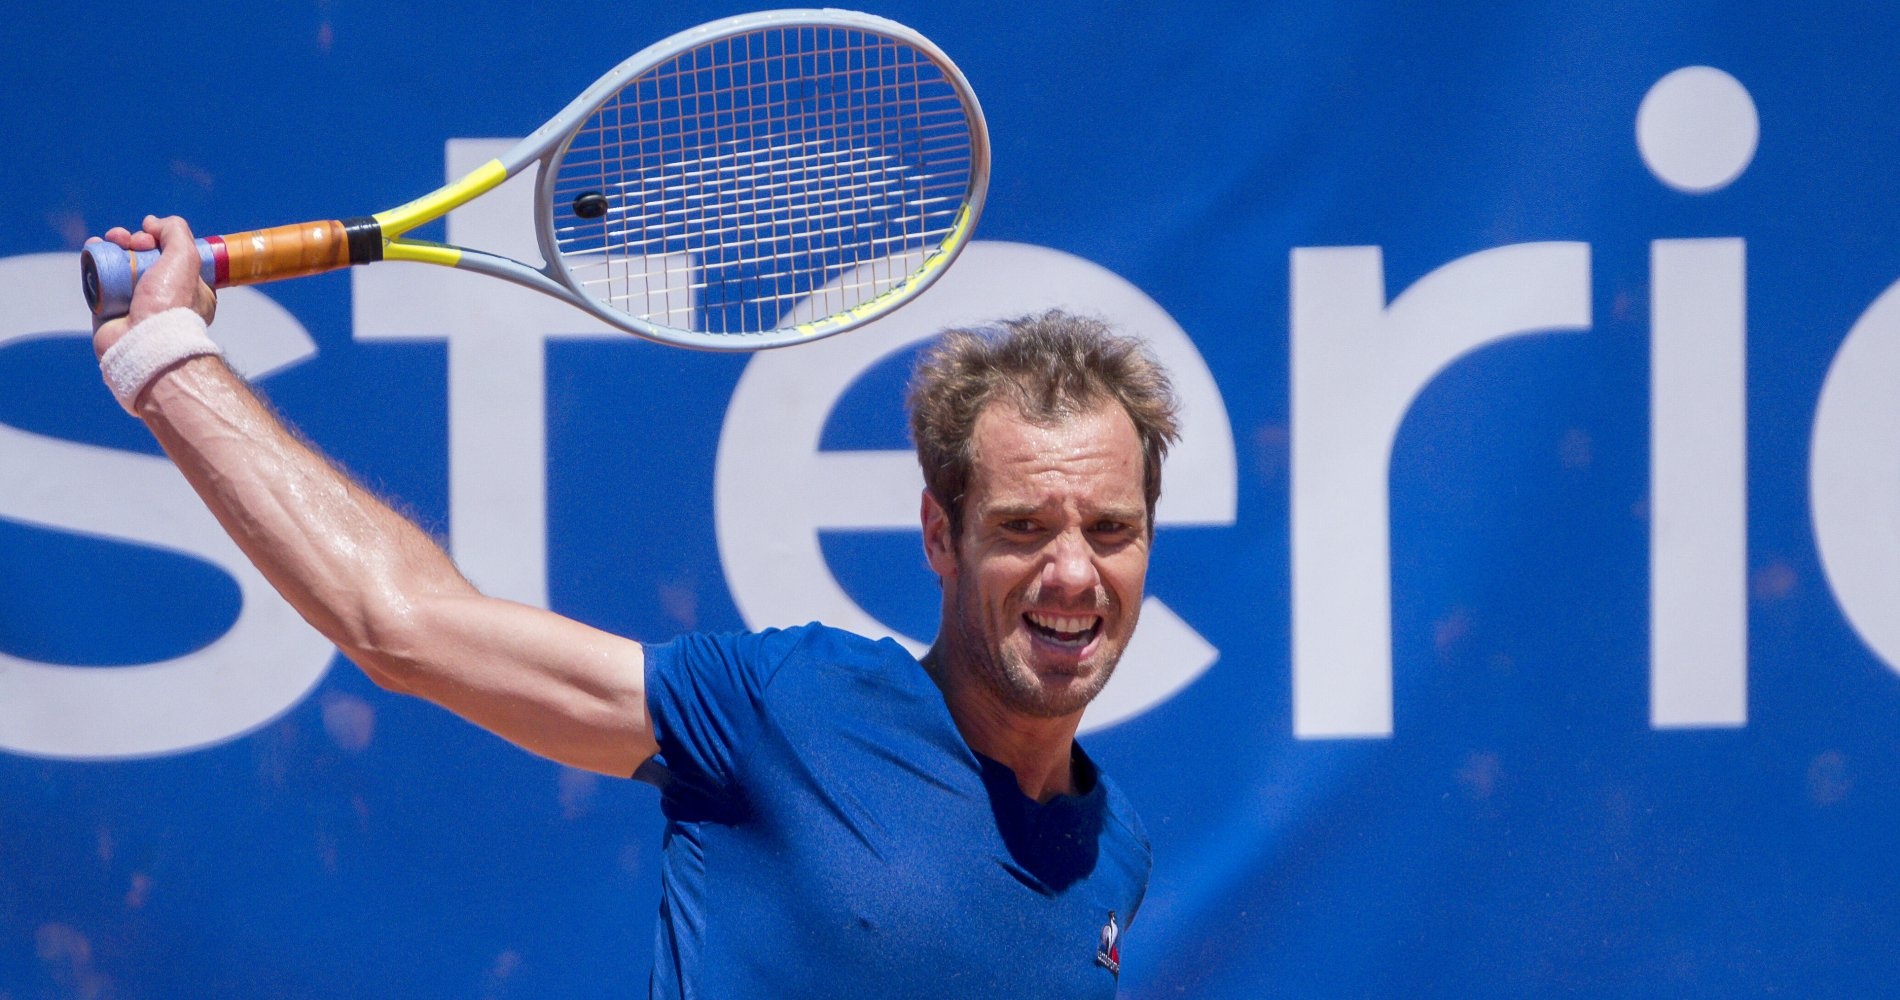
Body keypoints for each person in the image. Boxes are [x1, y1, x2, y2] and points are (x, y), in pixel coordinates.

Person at [90, 215, 1181, 998]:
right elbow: (404, 625)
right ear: (941, 536)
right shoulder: (784, 708)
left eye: (1111, 529)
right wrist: (169, 358)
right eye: (1024, 529)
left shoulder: (1112, 855)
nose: (1074, 575)